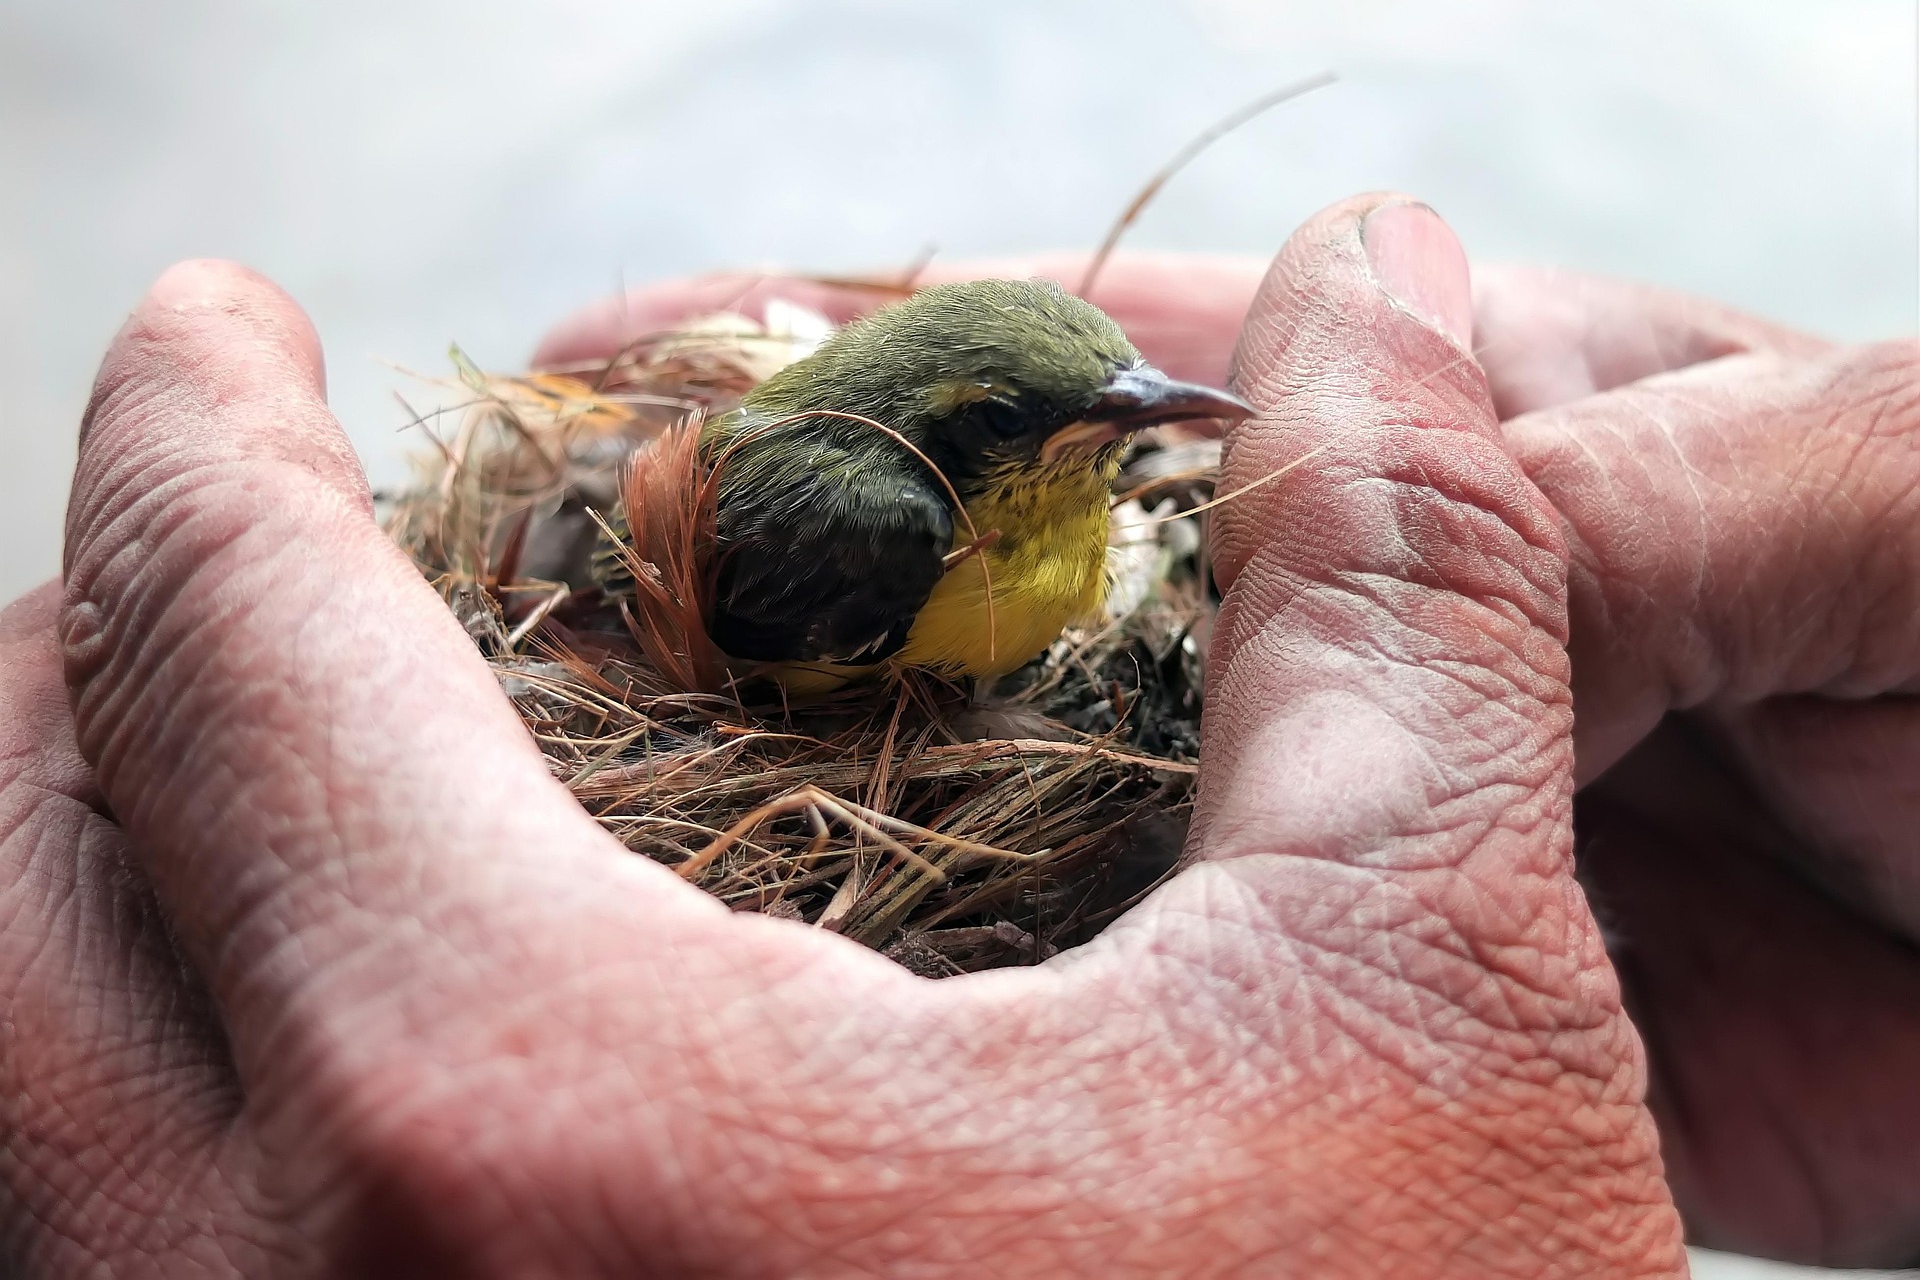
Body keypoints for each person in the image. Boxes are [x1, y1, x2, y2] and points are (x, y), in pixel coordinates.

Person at [0, 192, 1913, 1277]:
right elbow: (635, 594)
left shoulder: (1077, 521)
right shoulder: (879, 523)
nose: (1142, 418)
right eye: (1054, 417)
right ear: (951, 445)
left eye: (1125, 404)